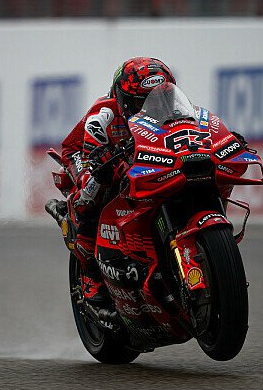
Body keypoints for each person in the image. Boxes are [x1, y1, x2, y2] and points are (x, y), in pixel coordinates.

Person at [54, 57, 177, 311]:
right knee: (93, 192)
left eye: (160, 98)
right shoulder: (103, 116)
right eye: (142, 102)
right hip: (84, 154)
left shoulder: (173, 111)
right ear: (124, 100)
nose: (153, 106)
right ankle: (90, 276)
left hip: (130, 158)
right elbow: (90, 154)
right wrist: (101, 161)